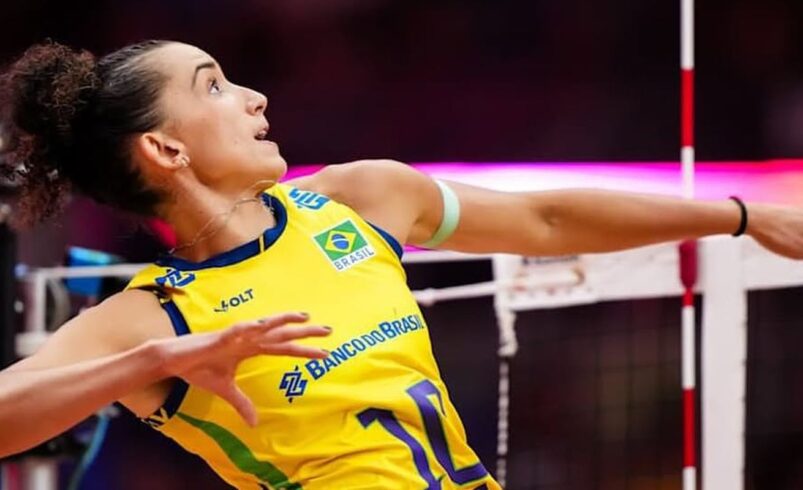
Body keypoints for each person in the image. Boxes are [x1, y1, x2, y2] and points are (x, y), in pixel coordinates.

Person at [0, 40, 801, 490]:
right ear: (165, 149)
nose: (253, 98)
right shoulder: (152, 317)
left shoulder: (357, 200)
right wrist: (152, 363)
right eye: (213, 88)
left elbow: (545, 218)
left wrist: (742, 216)